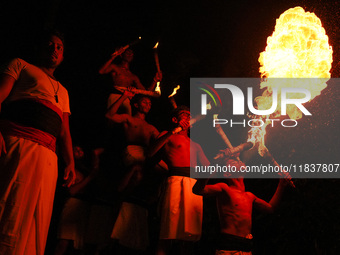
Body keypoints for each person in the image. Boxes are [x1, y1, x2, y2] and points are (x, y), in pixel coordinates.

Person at [0, 30, 76, 255]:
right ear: (39, 48)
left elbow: (64, 132)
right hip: (19, 144)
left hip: (48, 158)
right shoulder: (21, 65)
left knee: (38, 215)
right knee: (10, 204)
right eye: (50, 45)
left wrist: (70, 161)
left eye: (59, 47)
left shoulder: (63, 91)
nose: (54, 49)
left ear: (63, 56)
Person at [193, 152, 287, 255]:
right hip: (229, 246)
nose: (238, 160)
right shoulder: (224, 189)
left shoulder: (249, 196)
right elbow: (198, 190)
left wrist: (281, 185)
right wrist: (214, 165)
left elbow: (270, 208)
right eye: (233, 162)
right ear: (227, 173)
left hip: (246, 247)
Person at [148, 106, 210, 255]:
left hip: (194, 185)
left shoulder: (196, 144)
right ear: (175, 120)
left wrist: (223, 160)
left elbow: (208, 168)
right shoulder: (167, 135)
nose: (188, 118)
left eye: (190, 116)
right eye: (184, 115)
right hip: (175, 181)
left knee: (189, 236)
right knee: (167, 231)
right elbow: (150, 153)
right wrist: (172, 131)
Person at [105, 89, 161, 253]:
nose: (148, 104)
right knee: (137, 170)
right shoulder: (129, 118)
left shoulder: (151, 128)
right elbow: (109, 115)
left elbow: (161, 141)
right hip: (131, 151)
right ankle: (120, 197)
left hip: (144, 155)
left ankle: (145, 199)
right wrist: (124, 96)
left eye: (149, 103)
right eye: (144, 101)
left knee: (161, 172)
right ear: (136, 104)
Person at [99, 47, 162, 115]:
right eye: (127, 53)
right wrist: (113, 56)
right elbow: (101, 71)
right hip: (115, 96)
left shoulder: (133, 76)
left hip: (126, 99)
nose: (130, 55)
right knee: (111, 118)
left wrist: (155, 80)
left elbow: (146, 92)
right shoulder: (115, 67)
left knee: (125, 123)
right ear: (121, 55)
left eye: (131, 54)